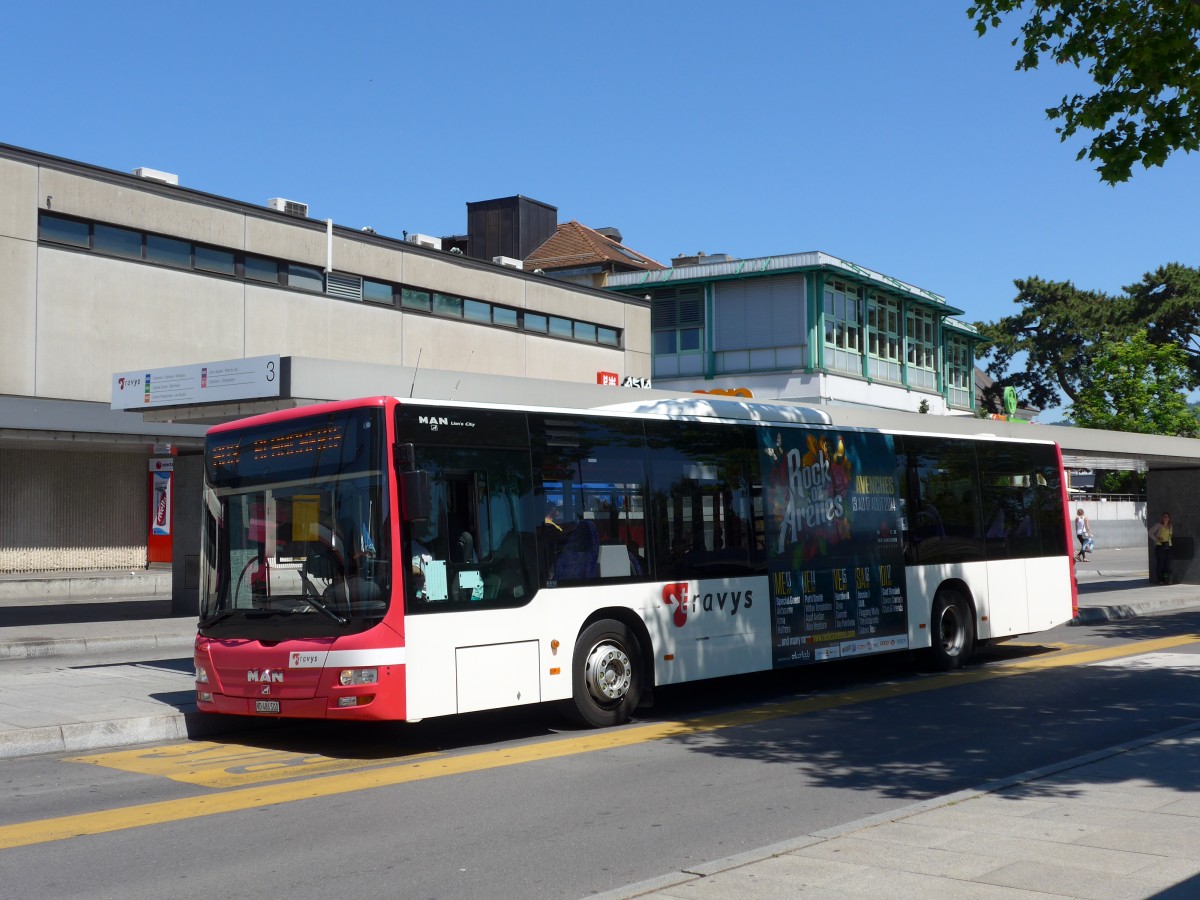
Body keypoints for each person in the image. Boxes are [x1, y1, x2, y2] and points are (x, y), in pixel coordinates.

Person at [1149, 512, 1173, 585]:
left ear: (1169, 518)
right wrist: (1156, 539)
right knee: (1160, 564)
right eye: (1164, 517)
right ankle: (1159, 579)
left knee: (1167, 564)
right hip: (1160, 546)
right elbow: (1150, 532)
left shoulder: (1170, 526)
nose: (1166, 518)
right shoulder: (1158, 525)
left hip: (1168, 546)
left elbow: (1170, 536)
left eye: (1167, 517)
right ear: (1162, 518)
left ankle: (1165, 578)